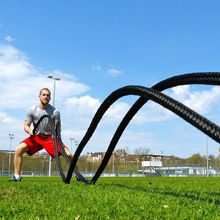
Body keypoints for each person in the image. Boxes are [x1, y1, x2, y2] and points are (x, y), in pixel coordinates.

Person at [10, 88, 72, 182]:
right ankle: (17, 176)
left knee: (69, 154)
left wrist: (58, 140)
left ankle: (78, 175)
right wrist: (31, 132)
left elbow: (58, 129)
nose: (46, 97)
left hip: (49, 138)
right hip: (36, 137)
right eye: (43, 95)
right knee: (19, 149)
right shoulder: (32, 110)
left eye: (48, 95)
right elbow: (26, 126)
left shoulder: (55, 112)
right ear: (39, 96)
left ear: (50, 97)